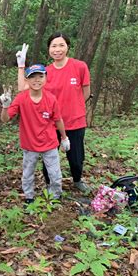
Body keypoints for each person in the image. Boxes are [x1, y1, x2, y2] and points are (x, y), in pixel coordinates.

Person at [16, 33, 91, 193]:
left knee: (76, 159)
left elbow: (85, 92)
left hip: (75, 121)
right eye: (54, 46)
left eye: (61, 45)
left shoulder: (79, 66)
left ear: (68, 47)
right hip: (50, 124)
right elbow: (22, 88)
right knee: (48, 159)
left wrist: (75, 107)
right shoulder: (45, 72)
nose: (58, 49)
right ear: (49, 49)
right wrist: (21, 66)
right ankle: (50, 185)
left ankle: (77, 180)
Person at [1, 64, 70, 204]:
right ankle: (29, 197)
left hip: (49, 143)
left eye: (40, 76)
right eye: (32, 77)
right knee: (27, 174)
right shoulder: (21, 98)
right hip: (29, 144)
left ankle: (54, 197)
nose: (36, 80)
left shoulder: (51, 99)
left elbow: (58, 120)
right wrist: (5, 106)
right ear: (26, 80)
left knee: (55, 175)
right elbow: (5, 119)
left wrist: (64, 138)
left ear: (46, 78)